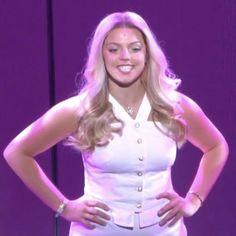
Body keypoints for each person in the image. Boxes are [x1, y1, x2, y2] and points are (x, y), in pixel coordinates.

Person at [3, 11, 228, 236]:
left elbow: (217, 147)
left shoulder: (175, 105)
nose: (125, 57)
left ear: (148, 53)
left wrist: (193, 200)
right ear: (101, 55)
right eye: (114, 49)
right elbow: (17, 152)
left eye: (135, 48)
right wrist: (64, 206)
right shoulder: (81, 108)